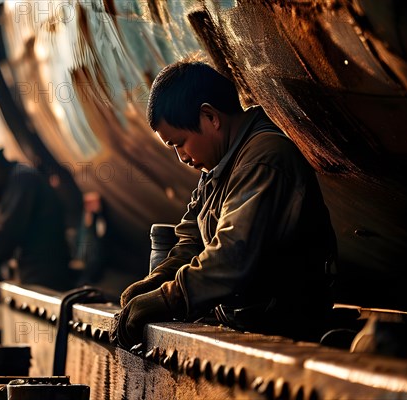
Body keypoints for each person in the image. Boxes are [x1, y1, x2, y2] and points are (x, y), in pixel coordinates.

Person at [111, 60, 336, 348]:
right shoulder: (222, 164)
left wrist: (169, 299)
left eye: (180, 143)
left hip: (283, 334)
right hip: (251, 326)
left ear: (210, 116)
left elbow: (232, 256)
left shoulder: (263, 159)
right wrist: (156, 281)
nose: (181, 157)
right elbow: (191, 239)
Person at [0, 134, 76, 293]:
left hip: (44, 281)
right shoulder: (9, 186)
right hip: (32, 279)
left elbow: (4, 237)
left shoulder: (23, 181)